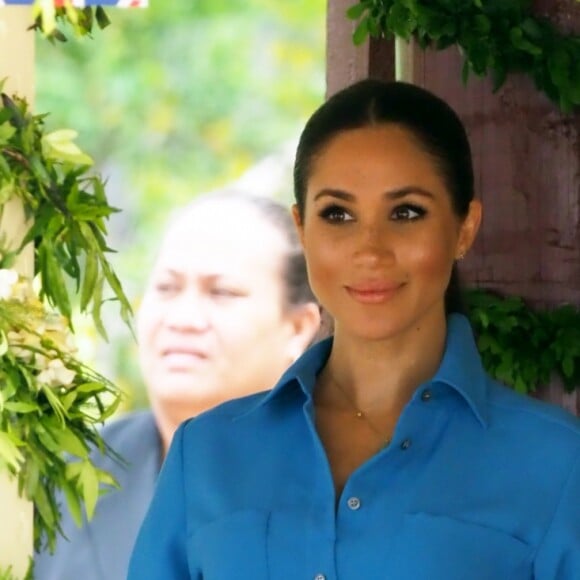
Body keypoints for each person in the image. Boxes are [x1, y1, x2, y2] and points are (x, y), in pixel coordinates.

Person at [128, 79, 580, 580]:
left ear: (464, 228)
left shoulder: (557, 466)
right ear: (302, 228)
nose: (370, 250)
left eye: (406, 213)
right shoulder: (206, 456)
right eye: (338, 214)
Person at [34, 191, 322, 580]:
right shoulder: (64, 474)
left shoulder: (341, 483)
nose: (183, 319)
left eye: (221, 293)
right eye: (167, 288)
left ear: (298, 327)